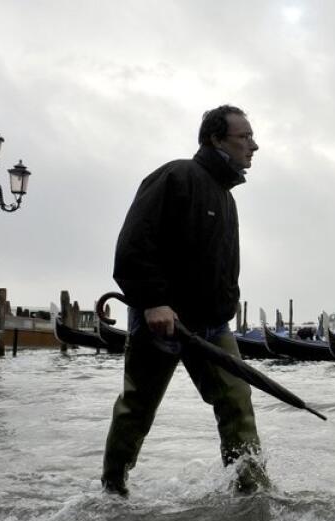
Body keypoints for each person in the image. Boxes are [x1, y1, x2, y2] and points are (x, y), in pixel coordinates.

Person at [101, 105, 266, 497]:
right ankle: (112, 488)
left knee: (236, 402)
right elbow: (132, 245)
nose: (253, 146)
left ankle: (252, 493)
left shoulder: (227, 197)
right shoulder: (175, 177)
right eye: (244, 137)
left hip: (212, 326)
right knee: (137, 408)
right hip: (162, 321)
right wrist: (154, 301)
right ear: (215, 139)